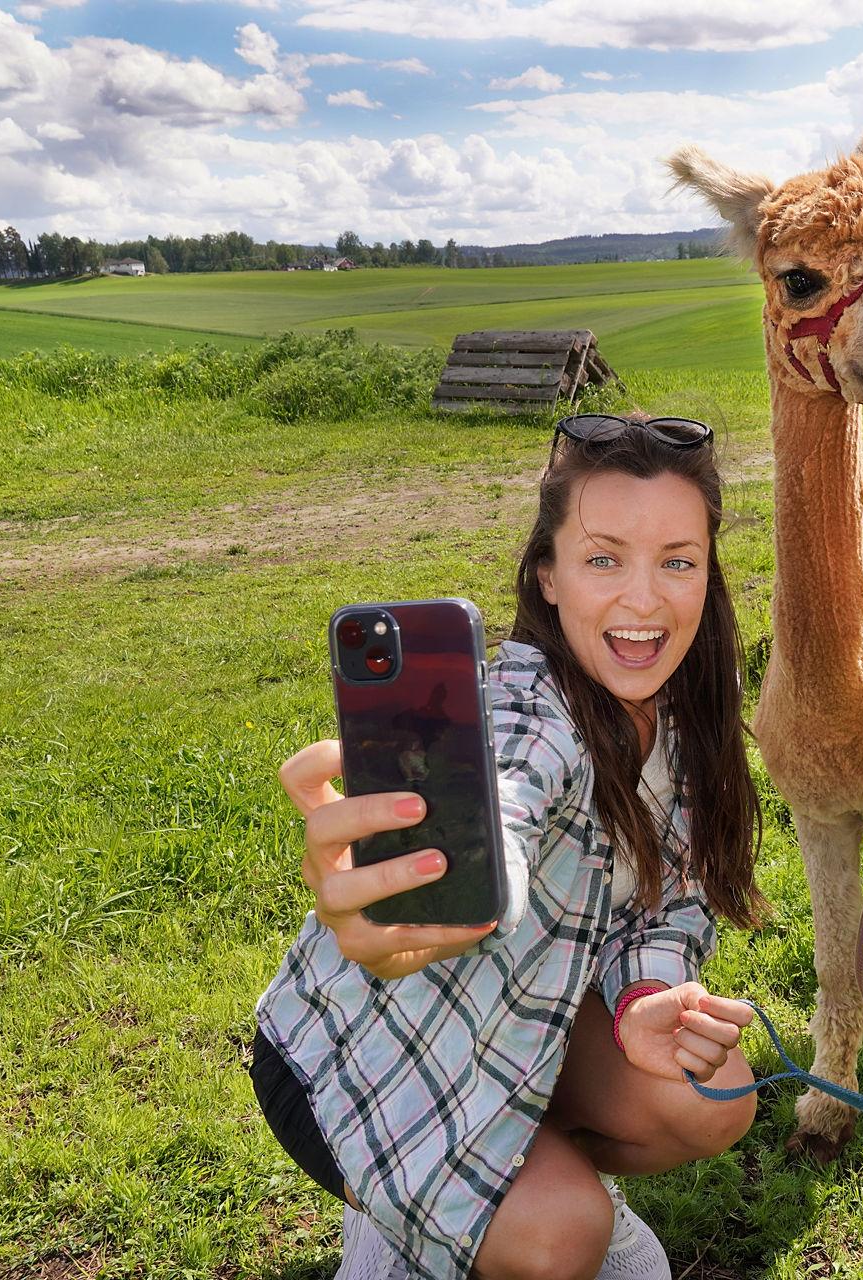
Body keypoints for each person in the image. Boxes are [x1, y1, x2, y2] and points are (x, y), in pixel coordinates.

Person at [251, 415, 765, 1280]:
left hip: (517, 1043)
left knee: (716, 1100)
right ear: (549, 577)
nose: (645, 599)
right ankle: (406, 1216)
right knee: (568, 1232)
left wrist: (642, 993)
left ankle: (493, 1190)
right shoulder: (530, 708)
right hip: (350, 1075)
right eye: (604, 558)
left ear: (708, 576)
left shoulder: (683, 718)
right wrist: (434, 895)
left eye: (677, 560)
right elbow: (510, 794)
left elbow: (673, 901)